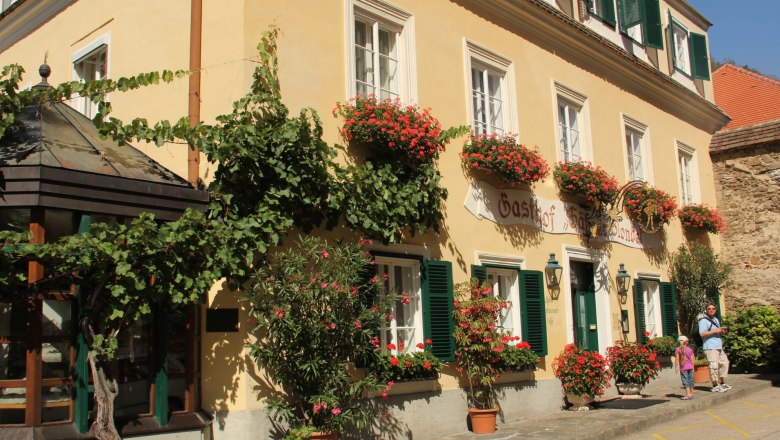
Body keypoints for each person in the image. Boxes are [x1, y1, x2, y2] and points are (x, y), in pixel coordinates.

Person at [698, 303, 730, 392]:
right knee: (714, 366)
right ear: (706, 310)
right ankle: (715, 385)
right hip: (710, 346)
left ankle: (721, 382)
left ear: (715, 310)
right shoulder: (703, 321)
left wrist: (721, 332)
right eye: (709, 309)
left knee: (724, 363)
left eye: (713, 308)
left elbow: (716, 332)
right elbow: (702, 334)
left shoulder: (716, 320)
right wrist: (715, 331)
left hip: (718, 345)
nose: (711, 310)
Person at [674, 335, 695, 399]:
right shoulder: (690, 349)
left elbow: (677, 359)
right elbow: (692, 360)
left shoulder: (678, 349)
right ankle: (691, 394)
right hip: (690, 367)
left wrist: (676, 367)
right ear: (686, 342)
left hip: (683, 368)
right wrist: (693, 367)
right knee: (691, 380)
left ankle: (688, 394)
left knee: (685, 380)